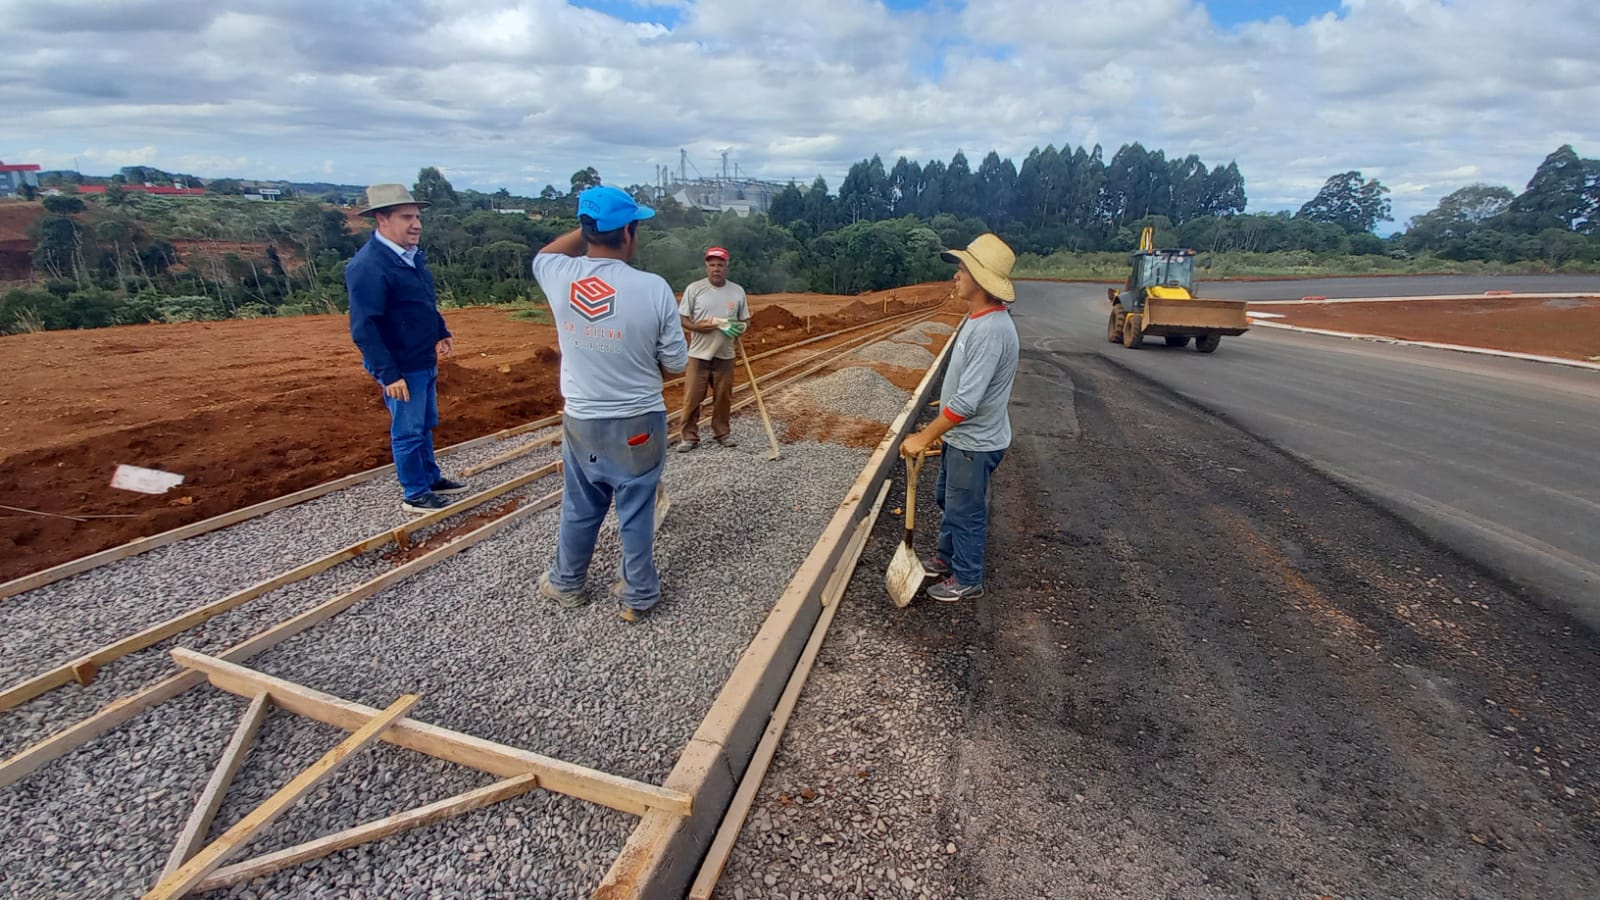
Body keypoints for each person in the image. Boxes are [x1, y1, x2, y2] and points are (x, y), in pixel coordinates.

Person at [531, 185, 689, 622]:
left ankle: (566, 583)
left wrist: (590, 226)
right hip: (638, 420)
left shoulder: (557, 275)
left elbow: (545, 252)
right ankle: (637, 596)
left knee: (581, 505)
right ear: (628, 233)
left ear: (586, 231)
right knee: (636, 506)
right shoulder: (653, 288)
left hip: (581, 419)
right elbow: (676, 363)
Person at [899, 233, 1020, 602]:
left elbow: (967, 403)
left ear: (981, 282)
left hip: (975, 443)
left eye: (963, 270)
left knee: (965, 510)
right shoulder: (977, 319)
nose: (956, 276)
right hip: (961, 439)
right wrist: (940, 431)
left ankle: (968, 577)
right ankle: (947, 557)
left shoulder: (991, 331)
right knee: (947, 499)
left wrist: (924, 436)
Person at [346, 183, 468, 514]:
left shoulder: (411, 257)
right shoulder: (369, 266)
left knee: (426, 423)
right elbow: (364, 328)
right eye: (406, 217)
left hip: (421, 357)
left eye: (417, 216)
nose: (416, 224)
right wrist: (389, 374)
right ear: (382, 219)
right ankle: (414, 493)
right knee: (408, 429)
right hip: (400, 365)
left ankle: (430, 478)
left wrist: (440, 330)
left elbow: (421, 302)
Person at [675, 246, 751, 451]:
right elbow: (683, 318)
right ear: (706, 266)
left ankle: (722, 433)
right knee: (692, 397)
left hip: (725, 355)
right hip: (699, 354)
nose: (716, 268)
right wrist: (698, 327)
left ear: (727, 266)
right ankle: (689, 437)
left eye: (720, 264)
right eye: (712, 264)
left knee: (723, 397)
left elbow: (746, 320)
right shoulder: (694, 289)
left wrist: (739, 328)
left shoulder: (737, 291)